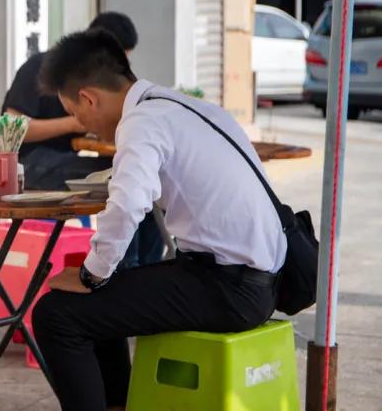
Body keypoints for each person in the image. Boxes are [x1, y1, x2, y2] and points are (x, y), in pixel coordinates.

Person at [30, 30, 285, 411]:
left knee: (55, 315)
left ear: (89, 98)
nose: (82, 123)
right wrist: (98, 276)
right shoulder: (188, 107)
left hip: (229, 288)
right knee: (100, 295)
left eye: (75, 113)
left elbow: (128, 204)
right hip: (263, 278)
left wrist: (90, 275)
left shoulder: (141, 123)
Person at [3, 11, 138, 192]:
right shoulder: (42, 67)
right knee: (118, 172)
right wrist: (73, 123)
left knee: (122, 166)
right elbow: (11, 128)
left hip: (65, 156)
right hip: (26, 161)